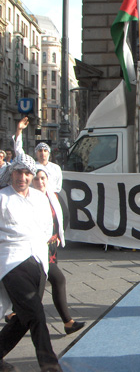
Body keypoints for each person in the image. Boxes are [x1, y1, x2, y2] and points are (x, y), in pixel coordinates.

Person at [0, 154, 62, 372]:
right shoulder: (2, 198)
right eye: (19, 172)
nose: (23, 177)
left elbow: (47, 226)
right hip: (11, 262)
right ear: (11, 173)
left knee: (24, 317)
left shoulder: (39, 197)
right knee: (36, 315)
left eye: (27, 173)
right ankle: (50, 367)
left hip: (38, 261)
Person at [8, 167, 85, 335]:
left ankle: (22, 316)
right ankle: (64, 322)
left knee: (40, 291)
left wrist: (57, 234)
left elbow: (63, 216)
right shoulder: (28, 200)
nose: (40, 182)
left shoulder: (53, 197)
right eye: (37, 179)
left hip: (50, 249)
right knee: (54, 282)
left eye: (43, 178)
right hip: (34, 251)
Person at [13, 117, 63, 193]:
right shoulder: (32, 166)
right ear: (36, 153)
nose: (42, 153)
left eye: (45, 150)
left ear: (48, 153)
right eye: (40, 151)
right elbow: (19, 152)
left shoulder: (56, 168)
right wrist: (19, 130)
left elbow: (58, 187)